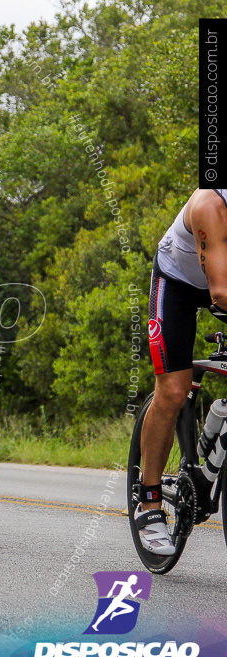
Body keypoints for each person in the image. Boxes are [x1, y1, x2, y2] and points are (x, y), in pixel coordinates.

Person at [141, 188, 227, 555]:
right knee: (173, 391)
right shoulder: (210, 204)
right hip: (179, 283)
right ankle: (149, 503)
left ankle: (212, 432)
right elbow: (221, 292)